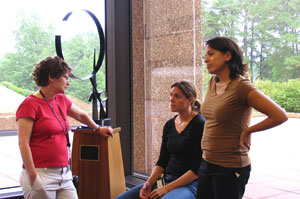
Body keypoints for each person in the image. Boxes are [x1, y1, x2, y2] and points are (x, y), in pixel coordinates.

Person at [196, 36, 288, 199]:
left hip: (230, 166)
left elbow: (279, 115)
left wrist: (248, 130)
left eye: (211, 54)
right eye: (205, 55)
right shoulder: (212, 82)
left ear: (228, 55)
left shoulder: (241, 86)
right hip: (207, 161)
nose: (206, 60)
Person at [16, 56, 113, 199]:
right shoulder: (29, 104)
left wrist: (98, 129)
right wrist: (33, 177)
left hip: (64, 174)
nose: (68, 83)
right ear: (51, 77)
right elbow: (23, 143)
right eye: (65, 78)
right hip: (41, 173)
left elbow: (81, 115)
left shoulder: (60, 99)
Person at [115, 80, 205, 199]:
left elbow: (195, 170)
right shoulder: (169, 125)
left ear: (190, 100)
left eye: (177, 96)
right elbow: (162, 162)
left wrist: (167, 189)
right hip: (166, 180)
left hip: (189, 185)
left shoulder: (199, 124)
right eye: (171, 95)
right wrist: (149, 183)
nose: (171, 99)